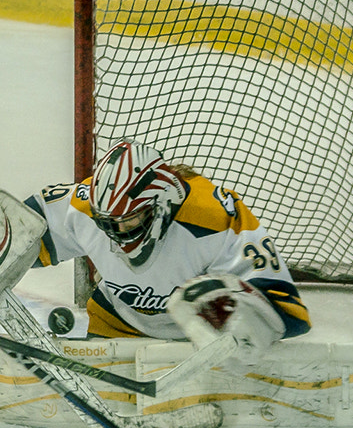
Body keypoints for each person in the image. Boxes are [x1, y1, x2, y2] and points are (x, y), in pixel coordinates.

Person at [26, 138, 310, 350]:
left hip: (195, 346)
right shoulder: (83, 206)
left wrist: (239, 310)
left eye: (130, 220)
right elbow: (11, 232)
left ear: (161, 204)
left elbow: (288, 310)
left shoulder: (216, 216)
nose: (119, 233)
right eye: (110, 224)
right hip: (115, 330)